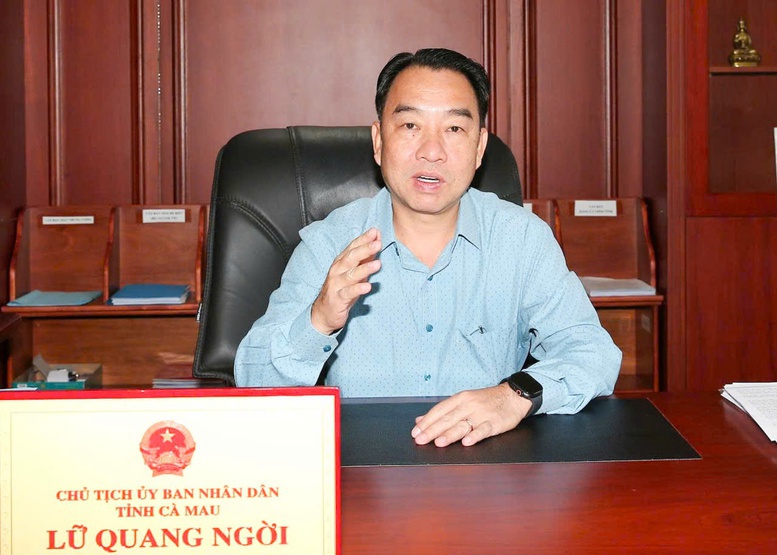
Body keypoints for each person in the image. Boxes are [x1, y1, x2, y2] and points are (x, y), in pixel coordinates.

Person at [235, 47, 621, 447]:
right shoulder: (330, 244)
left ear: (479, 147)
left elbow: (593, 354)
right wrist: (318, 320)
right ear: (378, 141)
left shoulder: (521, 240)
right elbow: (252, 382)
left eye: (454, 129)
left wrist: (513, 395)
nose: (432, 151)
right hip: (363, 466)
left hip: (484, 465)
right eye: (410, 125)